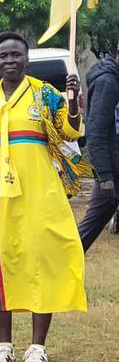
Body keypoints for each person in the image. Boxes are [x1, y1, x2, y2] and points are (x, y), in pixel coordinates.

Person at [0, 31, 89, 362]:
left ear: (26, 59)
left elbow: (71, 131)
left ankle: (37, 346)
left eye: (16, 55)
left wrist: (73, 100)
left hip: (39, 191)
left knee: (40, 259)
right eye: (4, 56)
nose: (10, 61)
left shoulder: (46, 94)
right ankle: (4, 345)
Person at [78, 49, 119, 251]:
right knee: (90, 227)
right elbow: (95, 131)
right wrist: (104, 176)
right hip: (112, 172)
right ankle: (58, 265)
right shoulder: (107, 82)